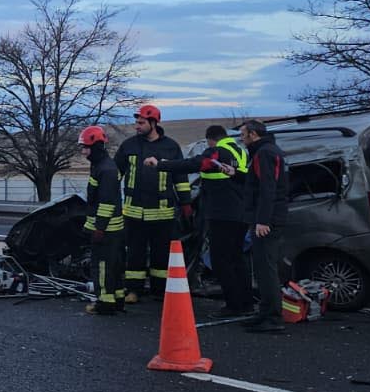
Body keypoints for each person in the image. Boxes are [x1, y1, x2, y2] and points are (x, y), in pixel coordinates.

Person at [147, 125, 252, 318]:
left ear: (209, 140)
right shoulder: (240, 151)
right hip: (241, 213)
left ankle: (233, 305)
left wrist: (160, 164)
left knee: (221, 260)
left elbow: (193, 164)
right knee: (238, 259)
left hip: (222, 214)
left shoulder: (216, 152)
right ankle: (246, 303)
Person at [114, 104, 189, 304]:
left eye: (141, 123)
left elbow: (180, 178)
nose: (136, 126)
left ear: (153, 123)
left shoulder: (171, 147)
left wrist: (186, 203)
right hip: (133, 212)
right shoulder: (128, 145)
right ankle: (133, 291)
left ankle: (161, 291)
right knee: (135, 255)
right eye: (136, 122)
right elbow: (115, 175)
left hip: (163, 213)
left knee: (161, 256)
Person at [239, 120, 290, 333]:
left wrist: (263, 220)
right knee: (262, 268)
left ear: (252, 134)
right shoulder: (266, 151)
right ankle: (264, 312)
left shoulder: (264, 154)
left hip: (267, 221)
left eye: (243, 134)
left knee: (266, 269)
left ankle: (273, 317)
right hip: (268, 217)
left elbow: (267, 189)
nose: (241, 138)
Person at [79, 126, 126, 315]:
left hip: (106, 229)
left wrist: (99, 228)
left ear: (96, 147)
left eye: (86, 147)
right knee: (114, 265)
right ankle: (117, 299)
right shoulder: (101, 165)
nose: (83, 152)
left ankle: (105, 303)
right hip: (109, 227)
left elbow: (106, 202)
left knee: (103, 267)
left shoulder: (105, 169)